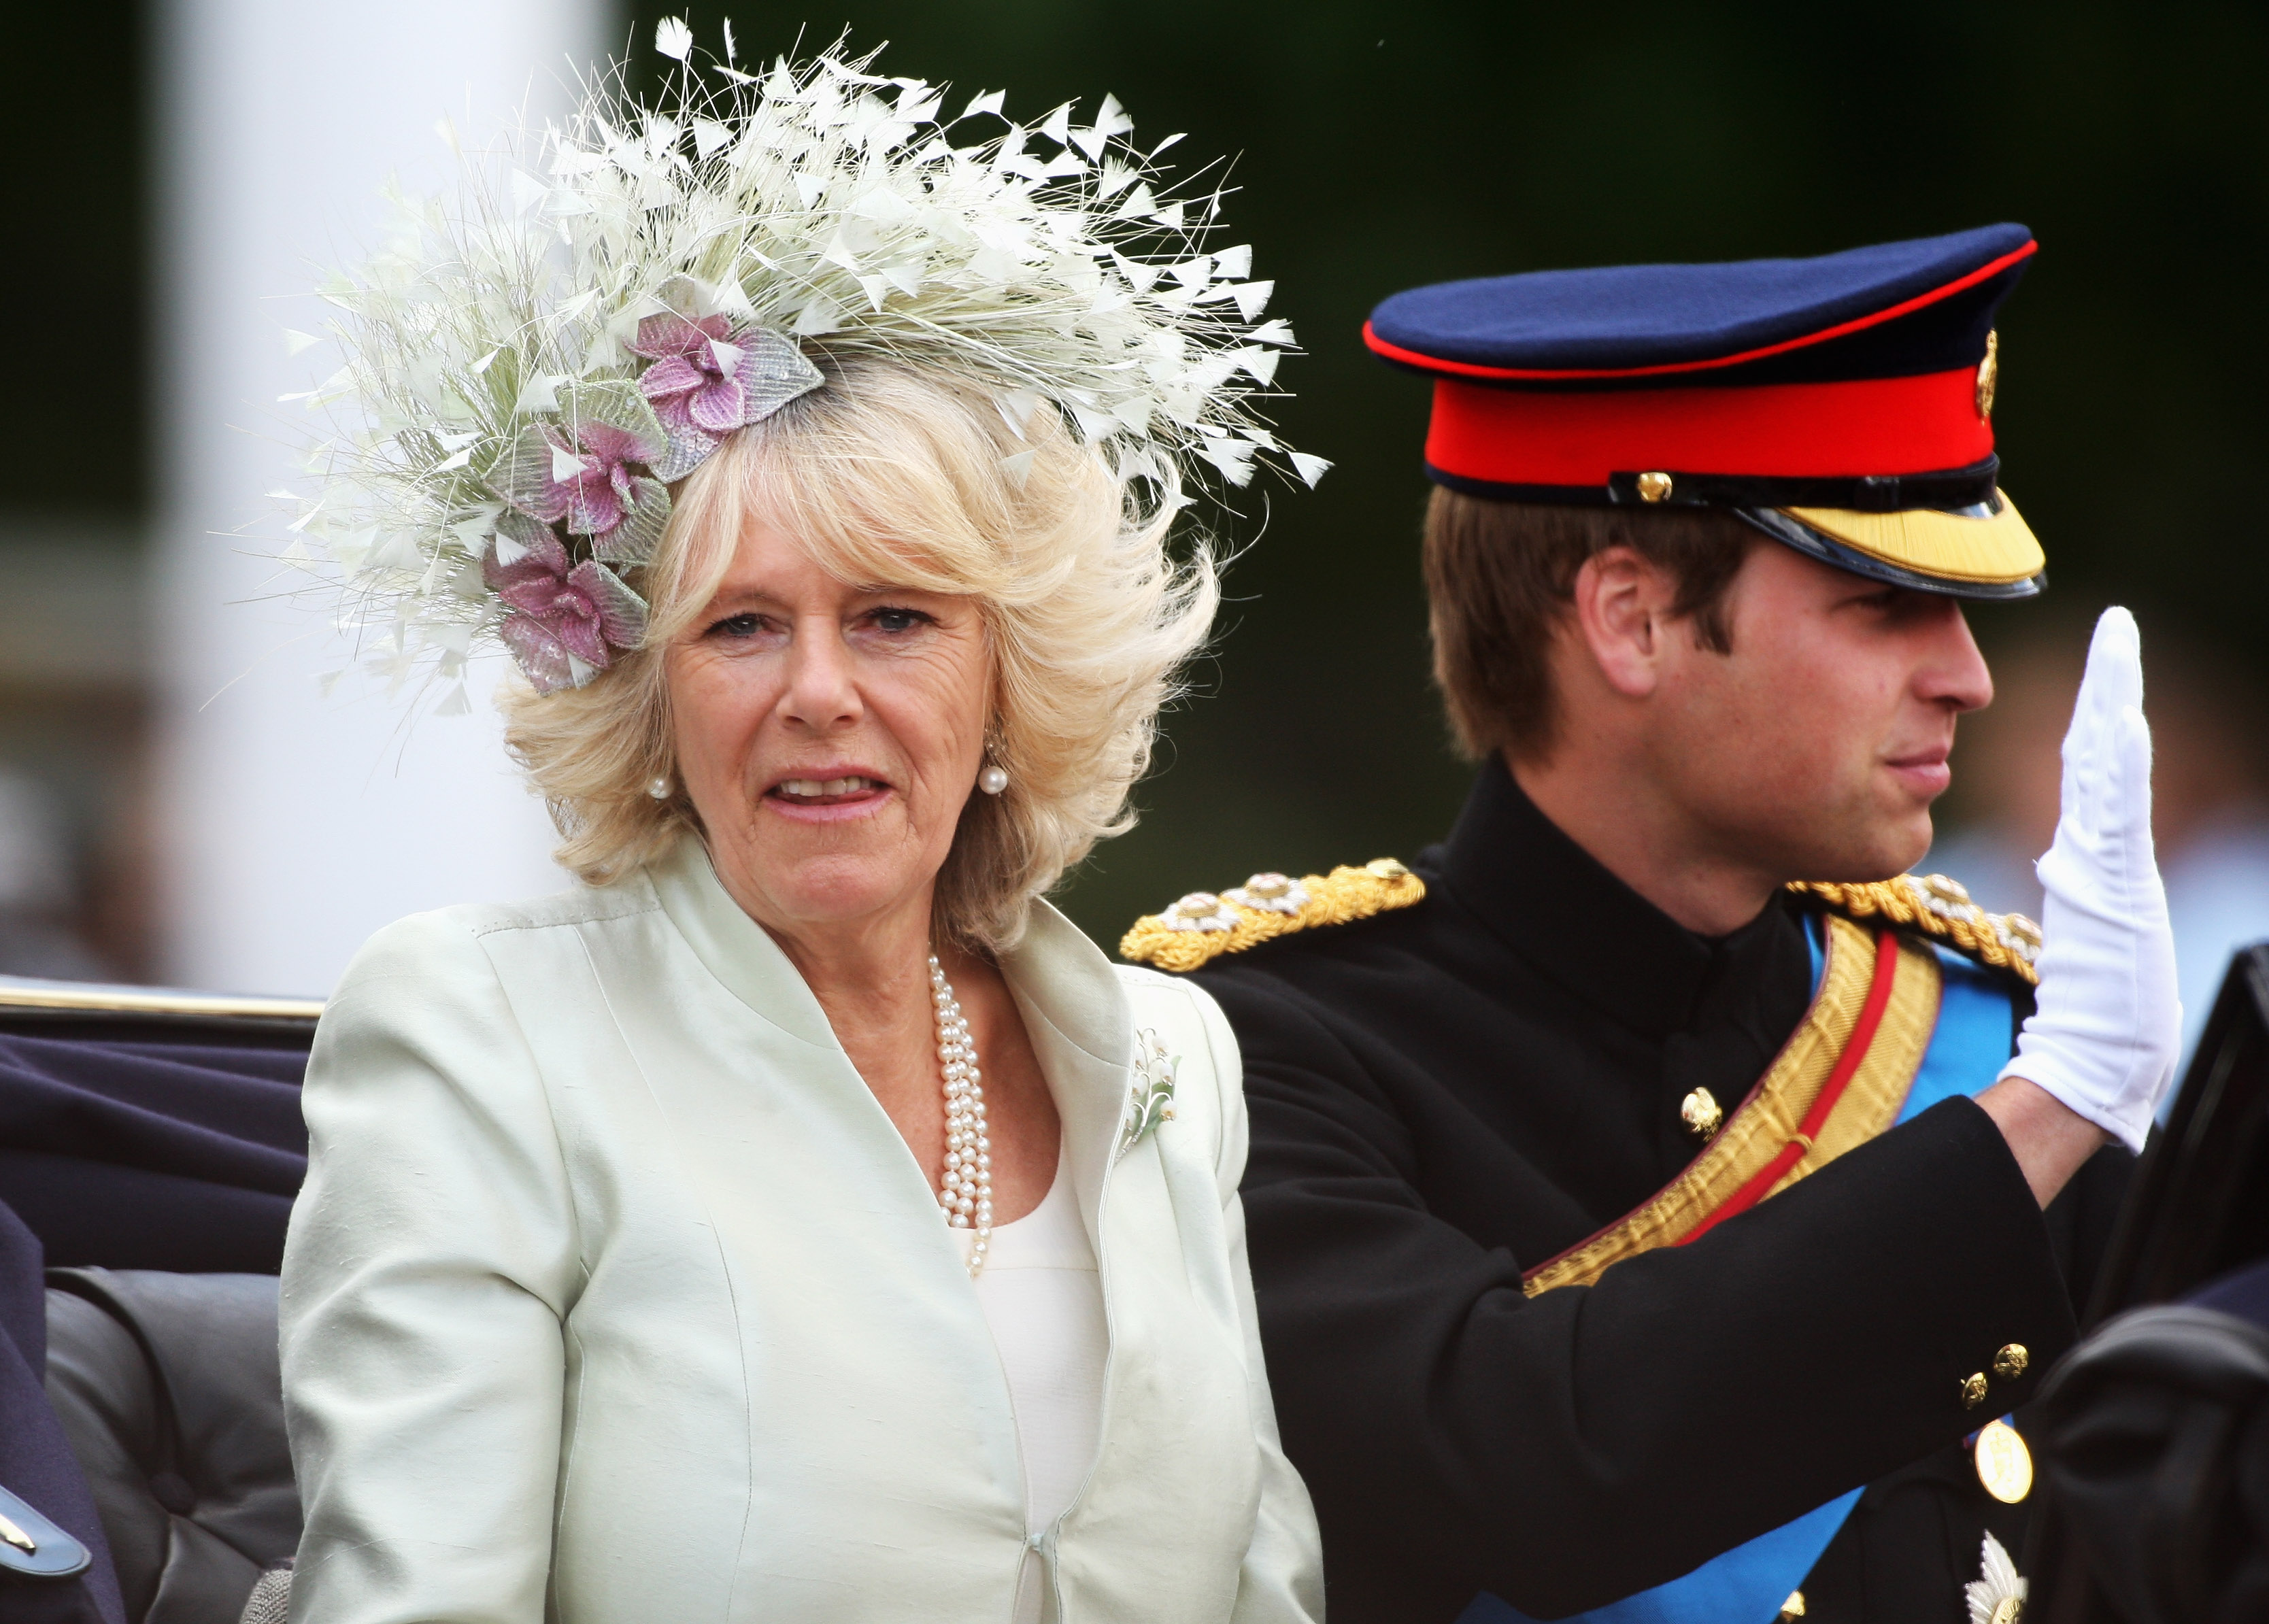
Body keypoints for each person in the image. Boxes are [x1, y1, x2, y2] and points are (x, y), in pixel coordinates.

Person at [278, 32, 1322, 1624]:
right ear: (649, 694)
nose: (819, 692)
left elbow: (1266, 1587)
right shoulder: (481, 1035)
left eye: (895, 618)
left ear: (1006, 676)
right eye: (742, 627)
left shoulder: (1170, 1055)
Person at [1119, 226, 2181, 1623]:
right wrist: (2045, 1119)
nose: (1967, 679)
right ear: (1629, 621)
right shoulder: (1256, 1049)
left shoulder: (1973, 1019)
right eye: (1885, 606)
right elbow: (1519, 1469)